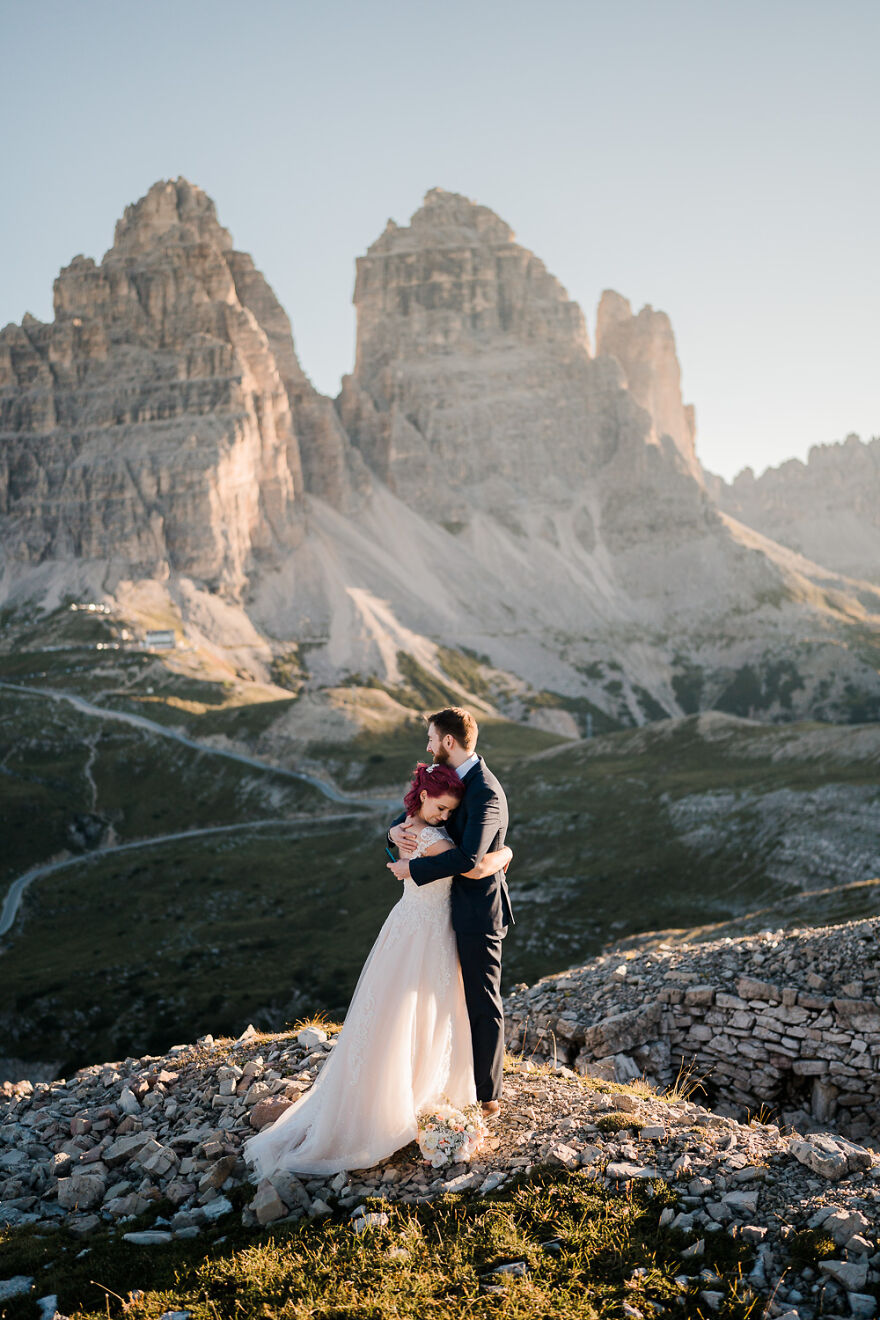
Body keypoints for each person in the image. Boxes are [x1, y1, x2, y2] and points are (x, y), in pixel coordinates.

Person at [242, 760, 512, 1179]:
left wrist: (406, 843)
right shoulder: (426, 834)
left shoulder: (406, 825)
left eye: (449, 812)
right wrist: (508, 852)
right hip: (424, 932)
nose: (446, 817)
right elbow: (471, 866)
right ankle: (399, 1100)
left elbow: (420, 845)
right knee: (413, 1011)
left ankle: (414, 1088)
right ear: (424, 798)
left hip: (416, 926)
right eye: (441, 809)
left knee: (416, 1011)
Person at [387, 706, 512, 1122]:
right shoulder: (450, 781)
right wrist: (393, 832)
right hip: (438, 911)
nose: (426, 746)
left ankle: (487, 1093)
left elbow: (469, 858)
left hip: (477, 913)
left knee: (481, 999)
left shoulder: (486, 791)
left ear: (448, 743)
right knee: (436, 998)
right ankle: (431, 1079)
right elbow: (420, 811)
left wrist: (413, 868)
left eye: (430, 738)